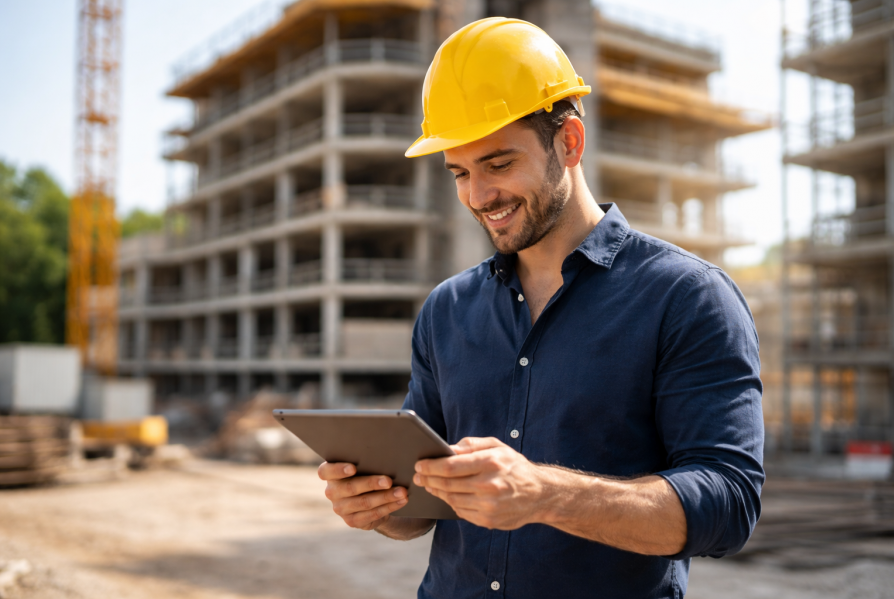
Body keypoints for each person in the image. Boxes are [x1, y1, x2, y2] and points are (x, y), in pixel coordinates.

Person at [318, 17, 764, 599]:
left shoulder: (686, 297)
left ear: (569, 142)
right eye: (460, 172)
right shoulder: (446, 310)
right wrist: (379, 506)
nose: (479, 197)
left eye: (500, 164)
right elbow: (422, 509)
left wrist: (545, 493)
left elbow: (729, 505)